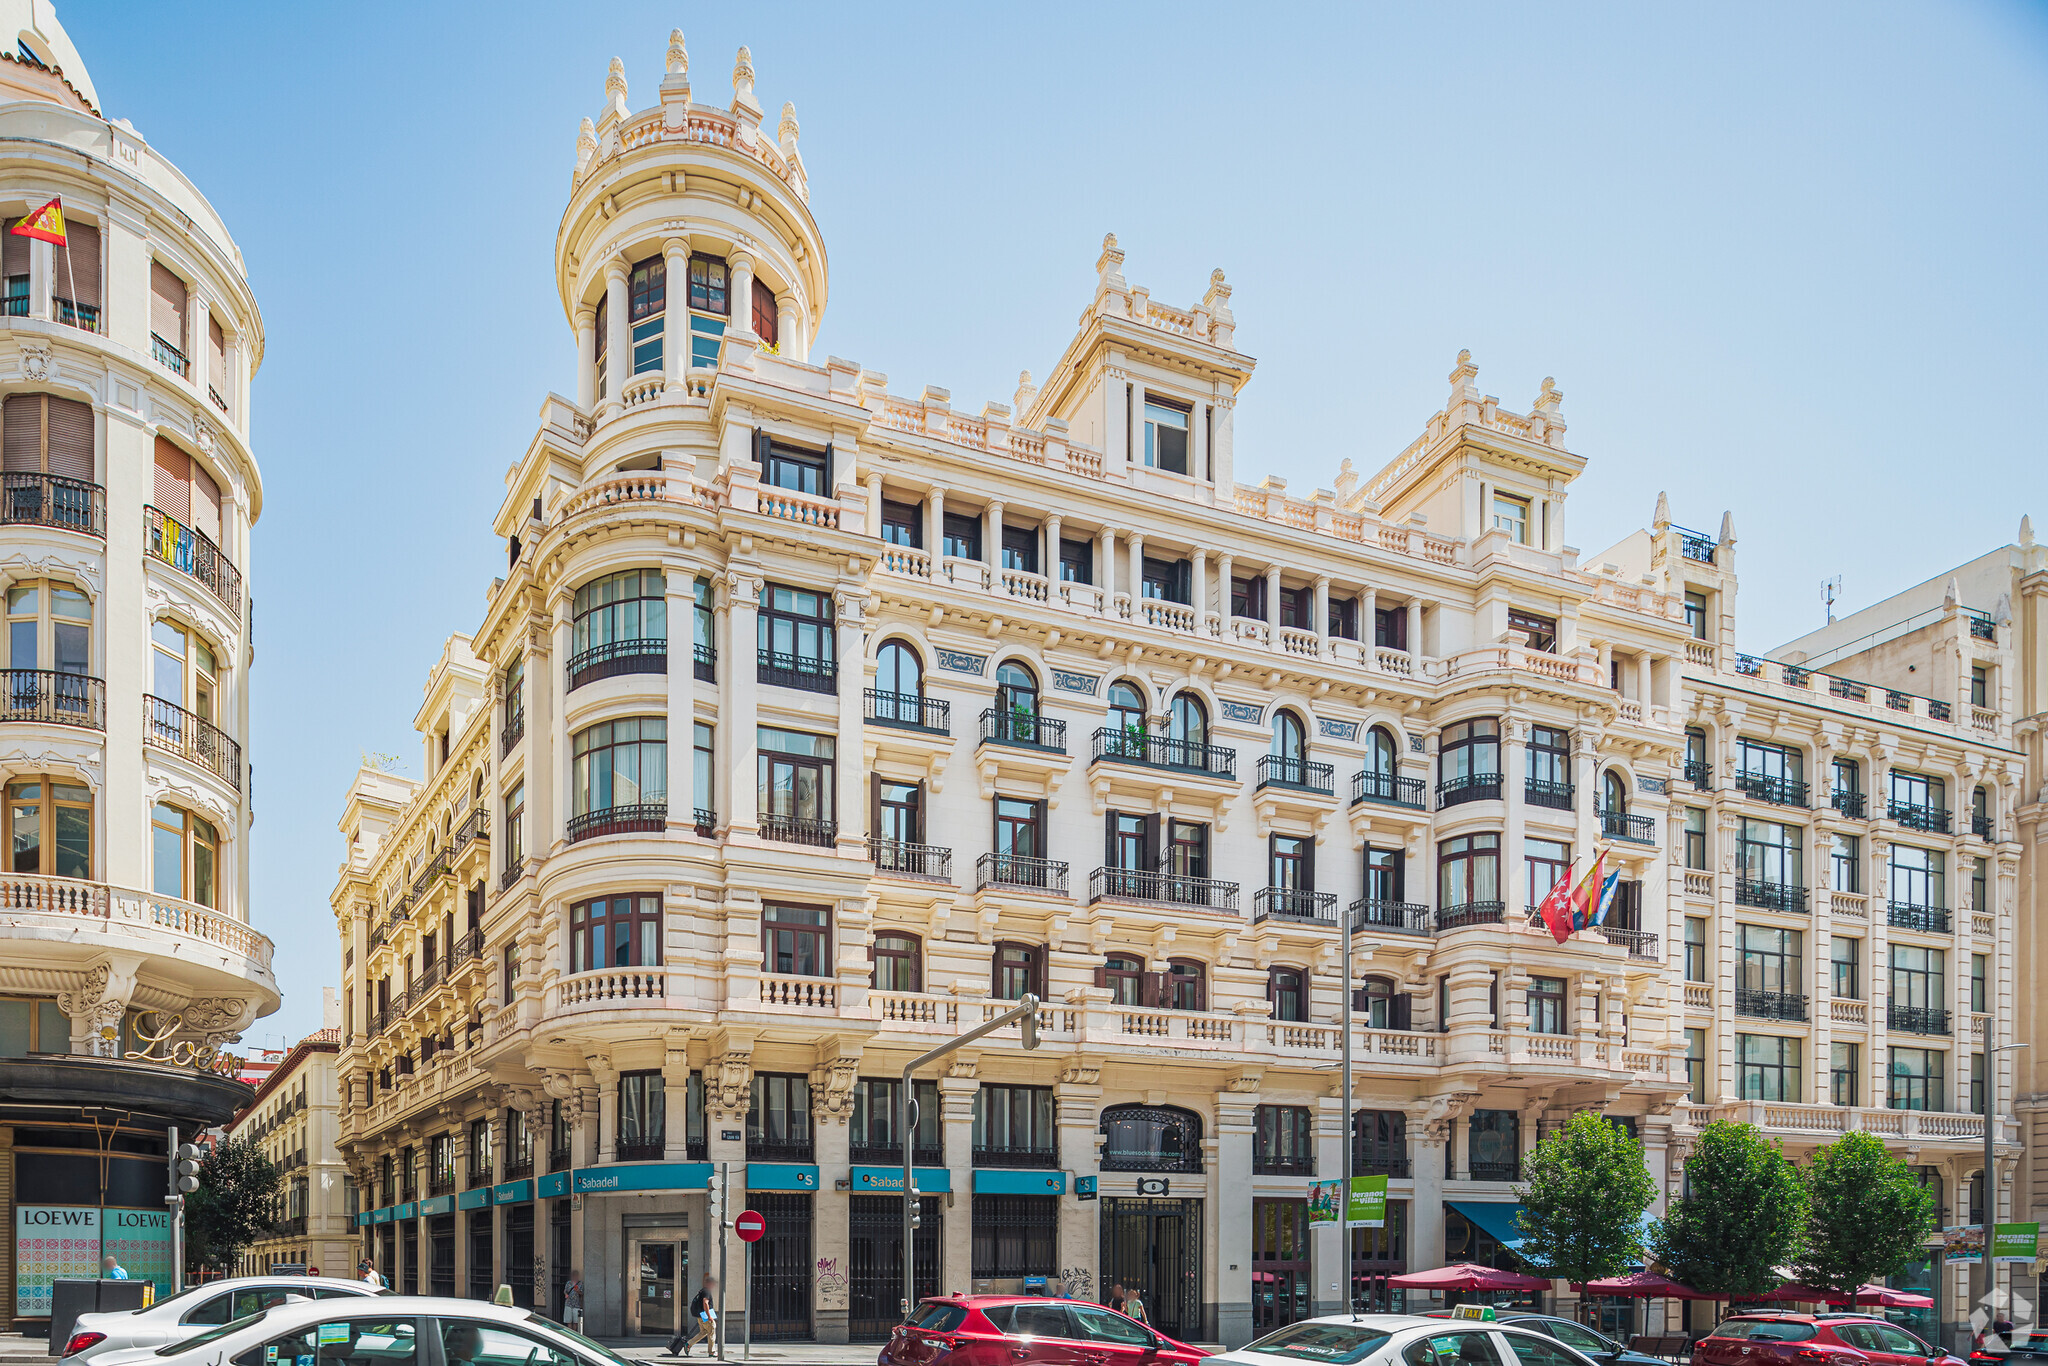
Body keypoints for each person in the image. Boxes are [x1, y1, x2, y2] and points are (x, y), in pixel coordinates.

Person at [674, 1277, 717, 1357]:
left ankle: (689, 1344)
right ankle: (712, 1352)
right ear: (709, 1284)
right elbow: (705, 1303)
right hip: (705, 1316)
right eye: (713, 1284)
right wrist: (709, 1316)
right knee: (711, 1331)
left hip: (701, 1316)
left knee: (703, 1332)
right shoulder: (706, 1292)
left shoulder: (702, 1291)